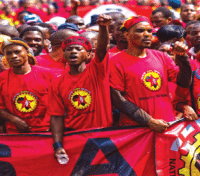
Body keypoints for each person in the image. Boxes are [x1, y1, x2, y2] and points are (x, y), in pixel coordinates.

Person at [109, 16, 192, 132]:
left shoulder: (161, 56)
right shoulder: (115, 61)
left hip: (167, 125)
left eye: (149, 31)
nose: (147, 34)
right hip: (136, 129)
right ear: (126, 34)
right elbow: (117, 99)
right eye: (140, 30)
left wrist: (183, 58)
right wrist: (149, 121)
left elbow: (184, 82)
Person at [48, 14, 113, 161]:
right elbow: (57, 116)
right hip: (75, 138)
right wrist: (58, 145)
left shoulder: (97, 71)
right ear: (63, 54)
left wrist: (103, 27)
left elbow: (102, 49)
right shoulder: (57, 83)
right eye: (69, 49)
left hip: (104, 136)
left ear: (89, 54)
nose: (73, 51)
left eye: (78, 49)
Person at [0, 37, 56, 133]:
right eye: (9, 53)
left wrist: (53, 125)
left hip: (47, 132)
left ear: (27, 52)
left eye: (17, 52)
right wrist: (15, 120)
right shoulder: (2, 78)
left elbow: (60, 103)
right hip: (15, 134)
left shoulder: (48, 75)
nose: (13, 56)